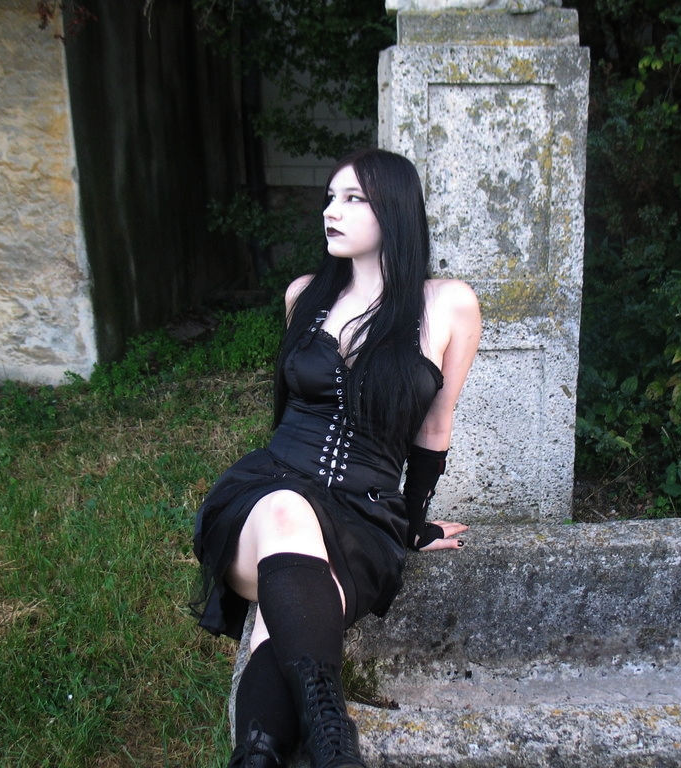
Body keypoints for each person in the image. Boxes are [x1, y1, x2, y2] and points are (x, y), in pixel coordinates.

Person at [192, 147, 481, 768]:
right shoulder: (304, 295)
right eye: (330, 197)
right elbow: (286, 410)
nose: (331, 211)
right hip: (267, 497)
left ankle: (258, 755)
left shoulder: (447, 304)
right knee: (287, 511)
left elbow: (435, 425)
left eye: (353, 199)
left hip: (361, 515)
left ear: (394, 211)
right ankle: (332, 737)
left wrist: (412, 523)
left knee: (282, 620)